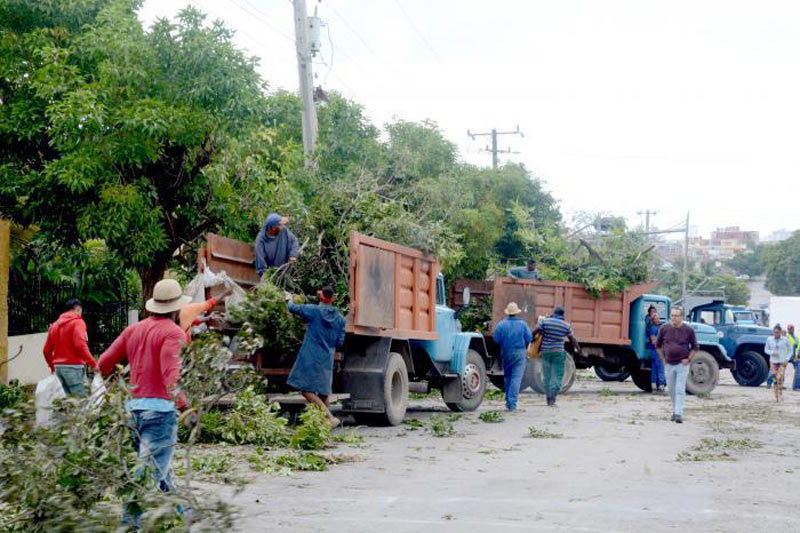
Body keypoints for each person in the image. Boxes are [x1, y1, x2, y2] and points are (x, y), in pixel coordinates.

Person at [98, 278, 190, 528]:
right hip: (159, 413)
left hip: (134, 411)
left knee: (157, 465)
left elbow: (104, 363)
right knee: (146, 472)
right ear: (175, 307)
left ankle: (183, 512)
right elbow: (171, 376)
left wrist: (113, 379)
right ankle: (129, 525)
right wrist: (185, 406)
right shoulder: (173, 333)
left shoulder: (133, 330)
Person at [286, 285, 346, 427]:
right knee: (323, 393)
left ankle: (330, 417)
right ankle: (323, 427)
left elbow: (293, 308)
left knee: (305, 389)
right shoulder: (340, 319)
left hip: (310, 355)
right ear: (333, 298)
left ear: (321, 296)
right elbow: (340, 342)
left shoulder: (314, 311)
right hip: (327, 357)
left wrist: (288, 299)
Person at [42, 298, 97, 397]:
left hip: (58, 368)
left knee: (68, 403)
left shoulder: (54, 326)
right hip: (73, 367)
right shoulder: (78, 322)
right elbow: (80, 345)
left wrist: (52, 366)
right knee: (80, 402)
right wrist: (93, 363)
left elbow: (46, 350)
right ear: (78, 309)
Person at [532, 306, 581, 406]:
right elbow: (572, 339)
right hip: (558, 353)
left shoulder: (545, 322)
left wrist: (531, 341)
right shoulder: (566, 325)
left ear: (554, 313)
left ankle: (548, 397)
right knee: (557, 376)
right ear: (563, 315)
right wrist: (578, 349)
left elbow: (535, 331)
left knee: (547, 375)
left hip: (545, 352)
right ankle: (552, 398)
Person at [656, 307, 698, 423]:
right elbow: (658, 346)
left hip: (682, 364)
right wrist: (663, 359)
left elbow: (695, 347)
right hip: (669, 364)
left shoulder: (689, 330)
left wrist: (689, 359)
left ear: (682, 317)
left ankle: (679, 414)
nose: (673, 318)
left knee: (680, 389)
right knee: (671, 389)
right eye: (672, 315)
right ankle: (675, 410)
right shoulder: (664, 328)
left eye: (676, 315)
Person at [493, 302, 533, 411]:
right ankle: (512, 404)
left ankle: (508, 401)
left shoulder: (501, 324)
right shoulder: (523, 324)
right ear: (516, 313)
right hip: (520, 354)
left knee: (508, 377)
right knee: (516, 378)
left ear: (508, 313)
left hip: (506, 354)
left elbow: (496, 340)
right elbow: (529, 338)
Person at [255, 213, 299, 278]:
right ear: (273, 228)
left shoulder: (284, 231)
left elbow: (294, 241)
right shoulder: (260, 240)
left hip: (285, 270)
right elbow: (261, 264)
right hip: (272, 274)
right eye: (281, 225)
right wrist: (266, 277)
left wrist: (293, 255)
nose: (283, 226)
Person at [765, 324, 792, 403]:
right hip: (773, 361)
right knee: (774, 378)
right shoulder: (769, 339)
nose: (776, 334)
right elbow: (766, 350)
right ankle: (776, 396)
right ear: (773, 332)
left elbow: (790, 350)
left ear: (780, 332)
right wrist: (772, 352)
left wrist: (787, 359)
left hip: (782, 362)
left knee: (779, 377)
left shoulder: (785, 340)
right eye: (775, 332)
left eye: (778, 332)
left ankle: (780, 394)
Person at [648, 312, 666, 391]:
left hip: (653, 351)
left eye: (658, 318)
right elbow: (653, 340)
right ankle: (661, 385)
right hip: (656, 351)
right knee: (660, 367)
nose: (658, 319)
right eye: (656, 318)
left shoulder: (654, 327)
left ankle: (654, 385)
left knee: (654, 368)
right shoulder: (654, 328)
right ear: (653, 320)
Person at [788, 324, 800, 391]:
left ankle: (796, 386)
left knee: (797, 371)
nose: (790, 330)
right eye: (789, 328)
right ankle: (774, 383)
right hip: (786, 356)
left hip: (794, 357)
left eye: (792, 328)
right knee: (780, 369)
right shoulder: (786, 336)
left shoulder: (797, 338)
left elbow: (799, 347)